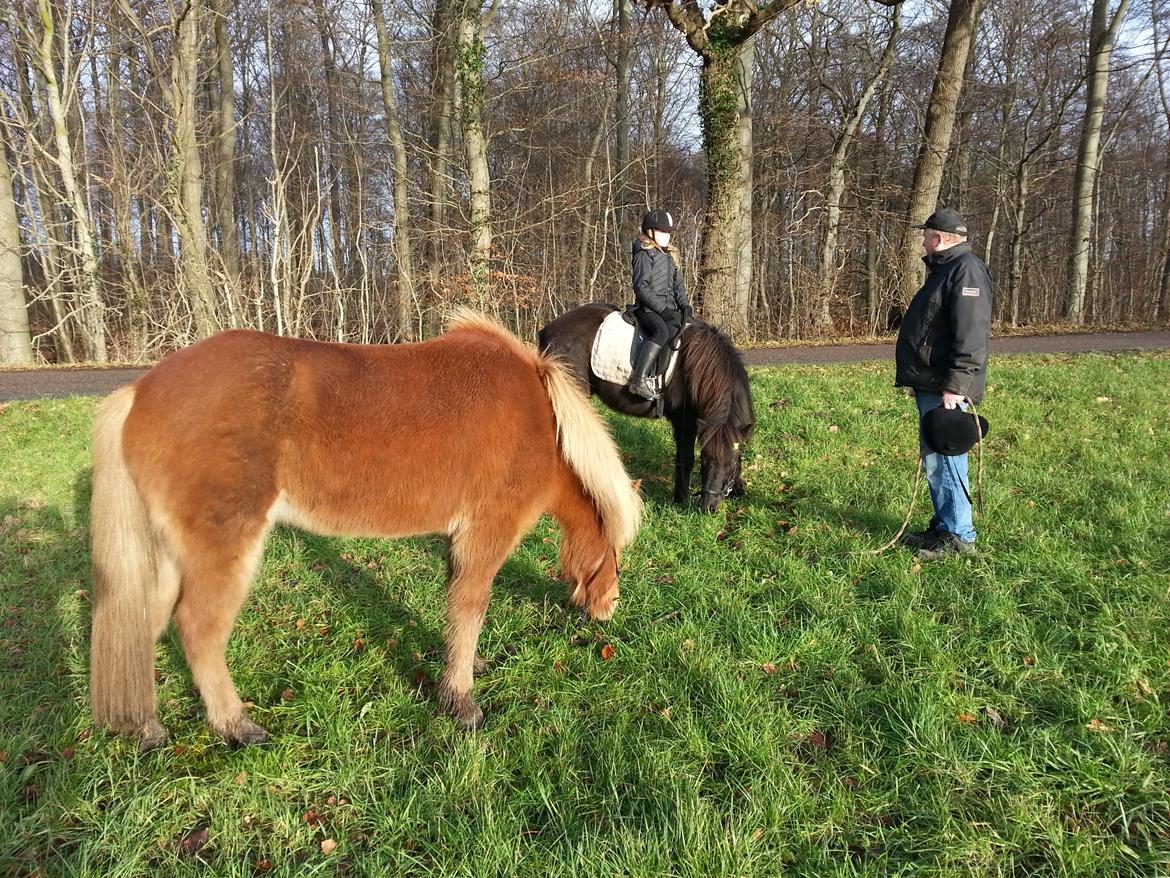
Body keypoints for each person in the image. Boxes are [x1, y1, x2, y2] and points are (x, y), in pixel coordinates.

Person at [894, 206, 993, 561]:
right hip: (932, 382)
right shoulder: (945, 270)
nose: (922, 239)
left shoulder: (965, 272)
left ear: (941, 238)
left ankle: (959, 536)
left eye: (926, 234)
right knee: (935, 459)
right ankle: (945, 525)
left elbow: (971, 337)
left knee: (948, 459)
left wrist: (957, 386)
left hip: (946, 386)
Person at [627, 209, 691, 399]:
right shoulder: (644, 254)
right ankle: (638, 381)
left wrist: (685, 306)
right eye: (662, 231)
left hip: (668, 308)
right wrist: (661, 309)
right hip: (647, 309)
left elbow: (679, 287)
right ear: (650, 232)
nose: (667, 236)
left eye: (668, 232)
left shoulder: (671, 256)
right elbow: (641, 286)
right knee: (661, 332)